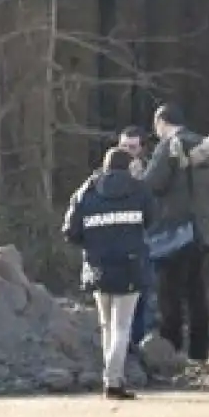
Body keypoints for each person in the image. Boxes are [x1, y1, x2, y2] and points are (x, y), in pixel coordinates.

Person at [62, 146, 155, 400]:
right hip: (130, 266)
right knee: (122, 327)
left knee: (106, 327)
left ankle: (113, 377)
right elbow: (151, 219)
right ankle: (113, 381)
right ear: (128, 166)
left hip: (98, 267)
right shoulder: (139, 190)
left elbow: (70, 231)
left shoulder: (86, 192)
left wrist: (93, 245)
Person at [141, 103, 209, 362]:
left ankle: (171, 347)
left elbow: (152, 184)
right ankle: (200, 350)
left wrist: (137, 174)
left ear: (162, 122)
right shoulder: (204, 147)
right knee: (197, 293)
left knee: (169, 293)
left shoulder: (169, 146)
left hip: (174, 232)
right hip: (201, 230)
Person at [117, 125, 156, 357]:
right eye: (123, 146)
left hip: (143, 244)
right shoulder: (103, 175)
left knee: (141, 299)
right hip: (116, 246)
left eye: (132, 147)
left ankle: (139, 346)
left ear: (141, 149)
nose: (127, 151)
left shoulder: (149, 174)